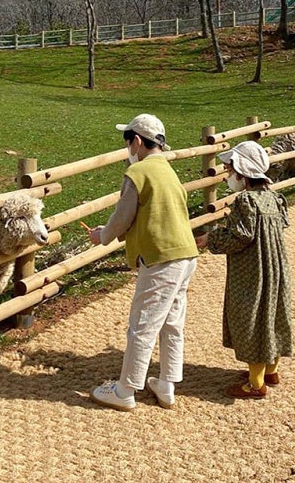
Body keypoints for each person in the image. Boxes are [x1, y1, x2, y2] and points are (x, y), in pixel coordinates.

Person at [87, 113, 199, 411]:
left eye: (127, 141)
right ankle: (166, 384)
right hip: (185, 254)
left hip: (161, 258)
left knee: (143, 324)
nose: (127, 148)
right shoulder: (168, 170)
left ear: (136, 141)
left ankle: (125, 390)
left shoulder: (137, 174)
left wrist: (104, 235)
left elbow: (124, 216)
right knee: (172, 322)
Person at [195, 140, 292, 399]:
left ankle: (255, 383)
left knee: (252, 316)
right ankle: (271, 370)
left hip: (252, 270)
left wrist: (210, 239)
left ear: (242, 171)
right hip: (275, 266)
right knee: (272, 312)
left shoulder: (246, 200)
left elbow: (241, 236)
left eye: (229, 170)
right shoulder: (273, 198)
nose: (228, 175)